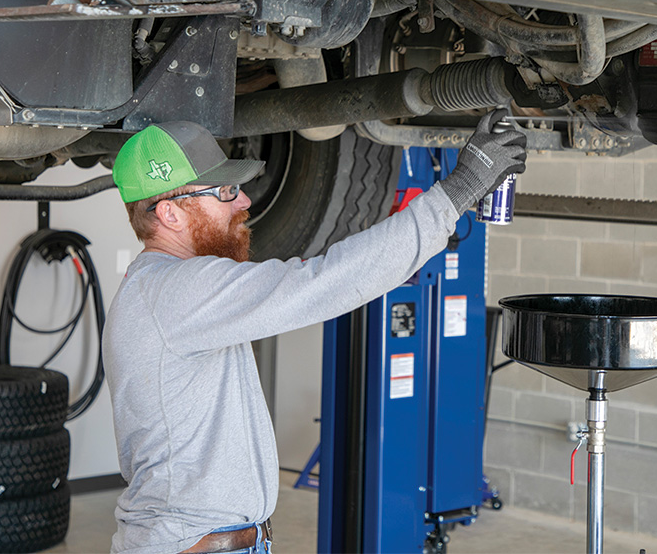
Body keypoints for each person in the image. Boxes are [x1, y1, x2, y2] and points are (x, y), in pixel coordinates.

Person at [102, 112, 526, 554]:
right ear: (169, 212)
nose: (244, 201)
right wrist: (456, 193)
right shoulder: (175, 291)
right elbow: (322, 282)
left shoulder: (163, 287)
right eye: (225, 191)